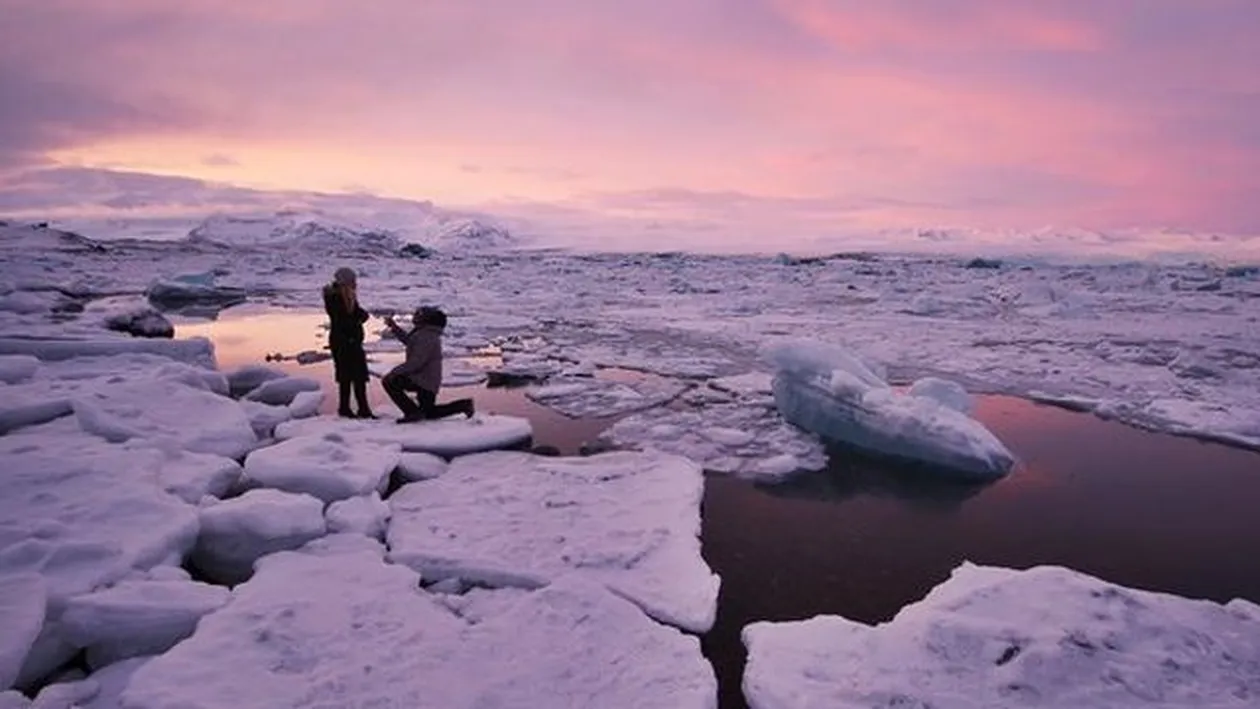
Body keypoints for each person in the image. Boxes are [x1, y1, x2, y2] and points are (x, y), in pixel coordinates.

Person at [381, 306, 475, 424]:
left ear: (425, 319)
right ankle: (463, 405)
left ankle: (412, 412)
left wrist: (395, 372)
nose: (415, 316)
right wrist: (394, 327)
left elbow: (417, 362)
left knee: (390, 381)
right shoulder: (424, 331)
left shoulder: (426, 336)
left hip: (424, 380)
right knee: (429, 412)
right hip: (425, 379)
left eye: (418, 315)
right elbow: (409, 342)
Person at [322, 267, 374, 419]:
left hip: (348, 341)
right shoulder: (336, 297)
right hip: (344, 342)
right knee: (350, 376)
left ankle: (359, 409)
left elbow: (358, 314)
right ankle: (351, 409)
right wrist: (356, 324)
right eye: (352, 280)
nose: (355, 283)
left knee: (355, 376)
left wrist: (360, 317)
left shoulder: (346, 296)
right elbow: (344, 320)